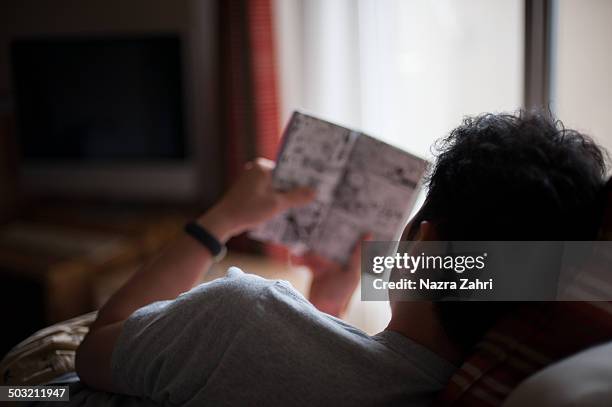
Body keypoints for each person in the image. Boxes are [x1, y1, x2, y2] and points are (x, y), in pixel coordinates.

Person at [75, 111, 608, 406]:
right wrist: (326, 309)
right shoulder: (476, 394)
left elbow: (94, 349)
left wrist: (220, 222)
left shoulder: (241, 315)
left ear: (424, 244)